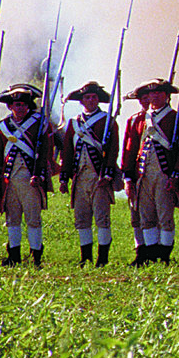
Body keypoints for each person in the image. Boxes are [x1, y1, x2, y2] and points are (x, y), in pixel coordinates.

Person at [120, 78, 179, 265]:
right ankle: (149, 254)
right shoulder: (141, 119)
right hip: (143, 174)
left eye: (159, 93)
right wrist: (128, 176)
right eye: (152, 93)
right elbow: (131, 148)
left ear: (167, 96)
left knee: (165, 217)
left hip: (164, 175)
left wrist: (176, 175)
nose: (155, 96)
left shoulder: (176, 118)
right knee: (146, 217)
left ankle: (164, 255)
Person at [0, 84, 53, 266]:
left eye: (23, 105)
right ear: (10, 106)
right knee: (12, 219)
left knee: (33, 218)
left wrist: (40, 175)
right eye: (16, 105)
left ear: (29, 106)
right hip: (9, 181)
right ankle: (14, 255)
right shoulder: (2, 127)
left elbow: (45, 153)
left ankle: (36, 256)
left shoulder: (39, 124)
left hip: (30, 179)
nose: (20, 108)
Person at [59, 81, 121, 266]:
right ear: (82, 101)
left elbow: (113, 150)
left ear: (98, 100)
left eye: (94, 97)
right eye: (87, 97)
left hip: (99, 176)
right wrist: (64, 178)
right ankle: (85, 257)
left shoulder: (108, 121)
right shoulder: (74, 123)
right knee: (82, 218)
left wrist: (107, 175)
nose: (91, 100)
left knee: (102, 218)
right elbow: (67, 152)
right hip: (80, 177)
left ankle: (103, 259)